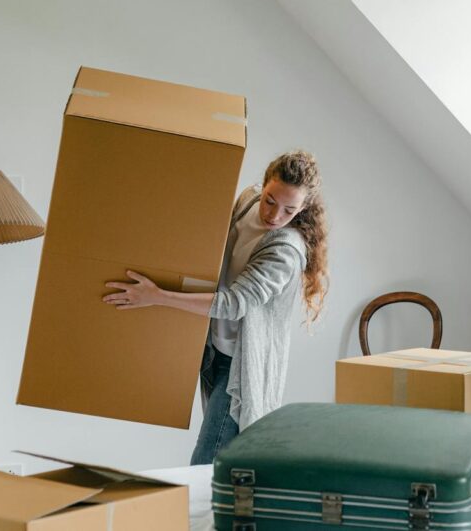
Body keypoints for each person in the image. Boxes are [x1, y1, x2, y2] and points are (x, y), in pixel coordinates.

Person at [103, 150, 329, 464]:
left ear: (303, 208)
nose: (274, 216)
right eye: (270, 200)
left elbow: (233, 304)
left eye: (289, 210)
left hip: (241, 364)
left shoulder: (285, 251)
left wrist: (157, 296)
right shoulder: (247, 203)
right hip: (213, 349)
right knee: (226, 461)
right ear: (262, 187)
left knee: (208, 460)